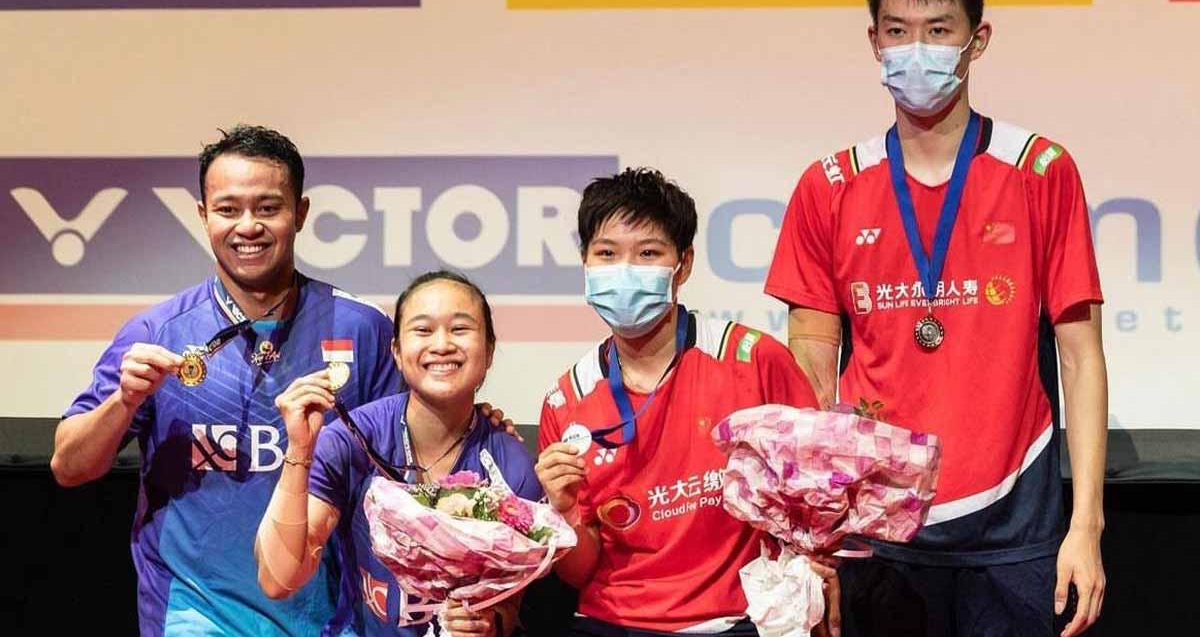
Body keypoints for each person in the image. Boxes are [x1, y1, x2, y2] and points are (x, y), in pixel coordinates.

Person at [764, 0, 1108, 635]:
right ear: (874, 43)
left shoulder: (1041, 170)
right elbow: (808, 371)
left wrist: (1087, 525)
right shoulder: (828, 185)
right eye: (898, 30)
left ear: (977, 40)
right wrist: (811, 540)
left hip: (1014, 533)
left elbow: (1082, 357)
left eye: (938, 30)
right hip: (878, 535)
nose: (916, 50)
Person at [49, 125, 404, 636]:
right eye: (228, 209)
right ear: (202, 216)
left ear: (300, 214)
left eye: (267, 208)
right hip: (193, 617)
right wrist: (124, 402)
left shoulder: (361, 329)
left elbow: (406, 472)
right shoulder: (158, 332)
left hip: (327, 619)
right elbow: (69, 466)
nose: (247, 226)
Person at [535, 168, 824, 636]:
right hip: (609, 623)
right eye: (606, 254)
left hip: (736, 621)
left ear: (683, 265)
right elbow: (578, 572)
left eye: (648, 253)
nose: (624, 271)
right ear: (585, 263)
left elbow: (817, 497)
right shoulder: (565, 401)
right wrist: (563, 509)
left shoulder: (754, 360)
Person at [255, 270, 539, 637]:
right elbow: (279, 579)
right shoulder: (351, 441)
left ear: (489, 352)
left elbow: (510, 607)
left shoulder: (510, 464)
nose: (442, 345)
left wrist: (489, 622)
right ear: (396, 352)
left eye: (460, 329)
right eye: (422, 330)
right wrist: (299, 449)